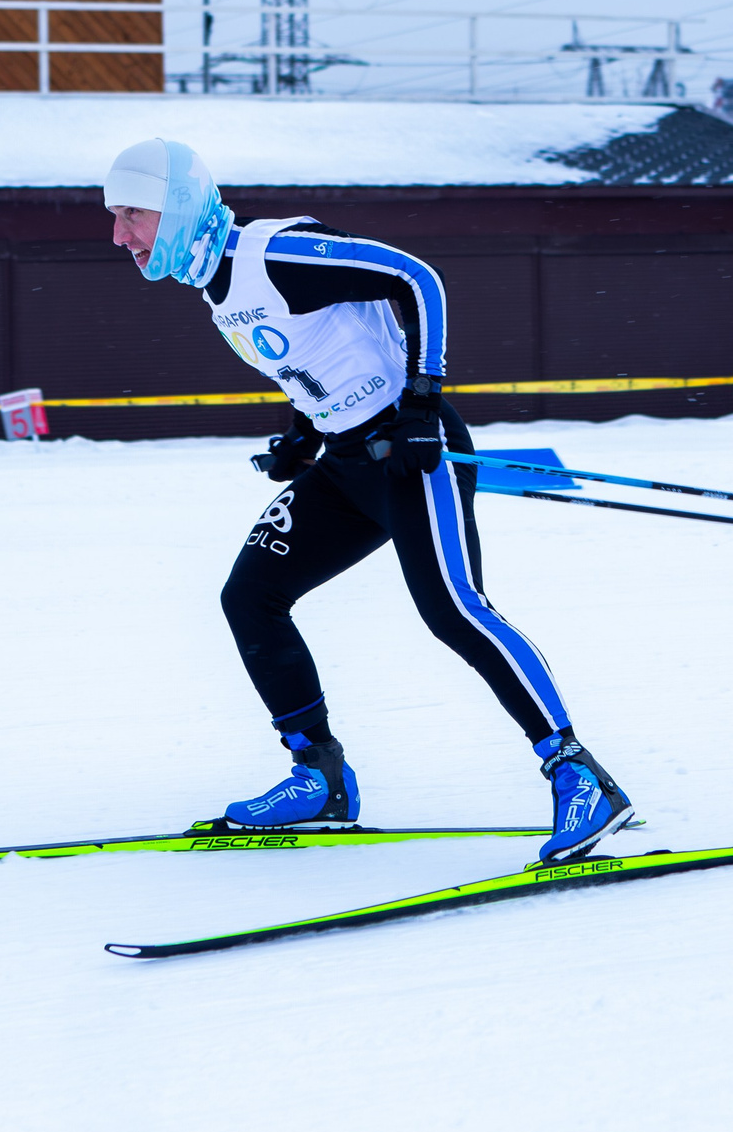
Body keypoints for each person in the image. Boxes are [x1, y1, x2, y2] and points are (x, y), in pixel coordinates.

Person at [102, 136, 637, 865]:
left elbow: (416, 279)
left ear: (179, 206)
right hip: (348, 458)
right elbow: (315, 355)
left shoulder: (275, 255)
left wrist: (423, 400)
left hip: (412, 449)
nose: (118, 234)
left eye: (131, 213)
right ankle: (319, 776)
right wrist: (300, 432)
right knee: (251, 594)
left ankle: (579, 772)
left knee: (455, 610)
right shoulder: (215, 284)